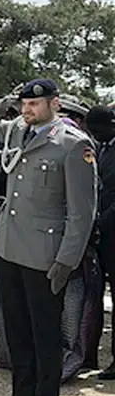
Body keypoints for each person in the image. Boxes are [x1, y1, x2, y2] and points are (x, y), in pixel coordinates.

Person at [0, 79, 97, 396]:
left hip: (46, 256)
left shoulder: (73, 145)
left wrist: (67, 260)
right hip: (9, 248)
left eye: (35, 104)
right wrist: (6, 98)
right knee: (16, 330)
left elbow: (82, 212)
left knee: (45, 335)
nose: (27, 110)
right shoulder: (18, 131)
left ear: (54, 104)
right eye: (24, 104)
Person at [88, 105, 115, 380]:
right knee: (92, 297)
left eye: (99, 129)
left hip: (111, 231)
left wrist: (101, 220)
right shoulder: (99, 148)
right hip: (100, 236)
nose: (95, 134)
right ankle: (88, 353)